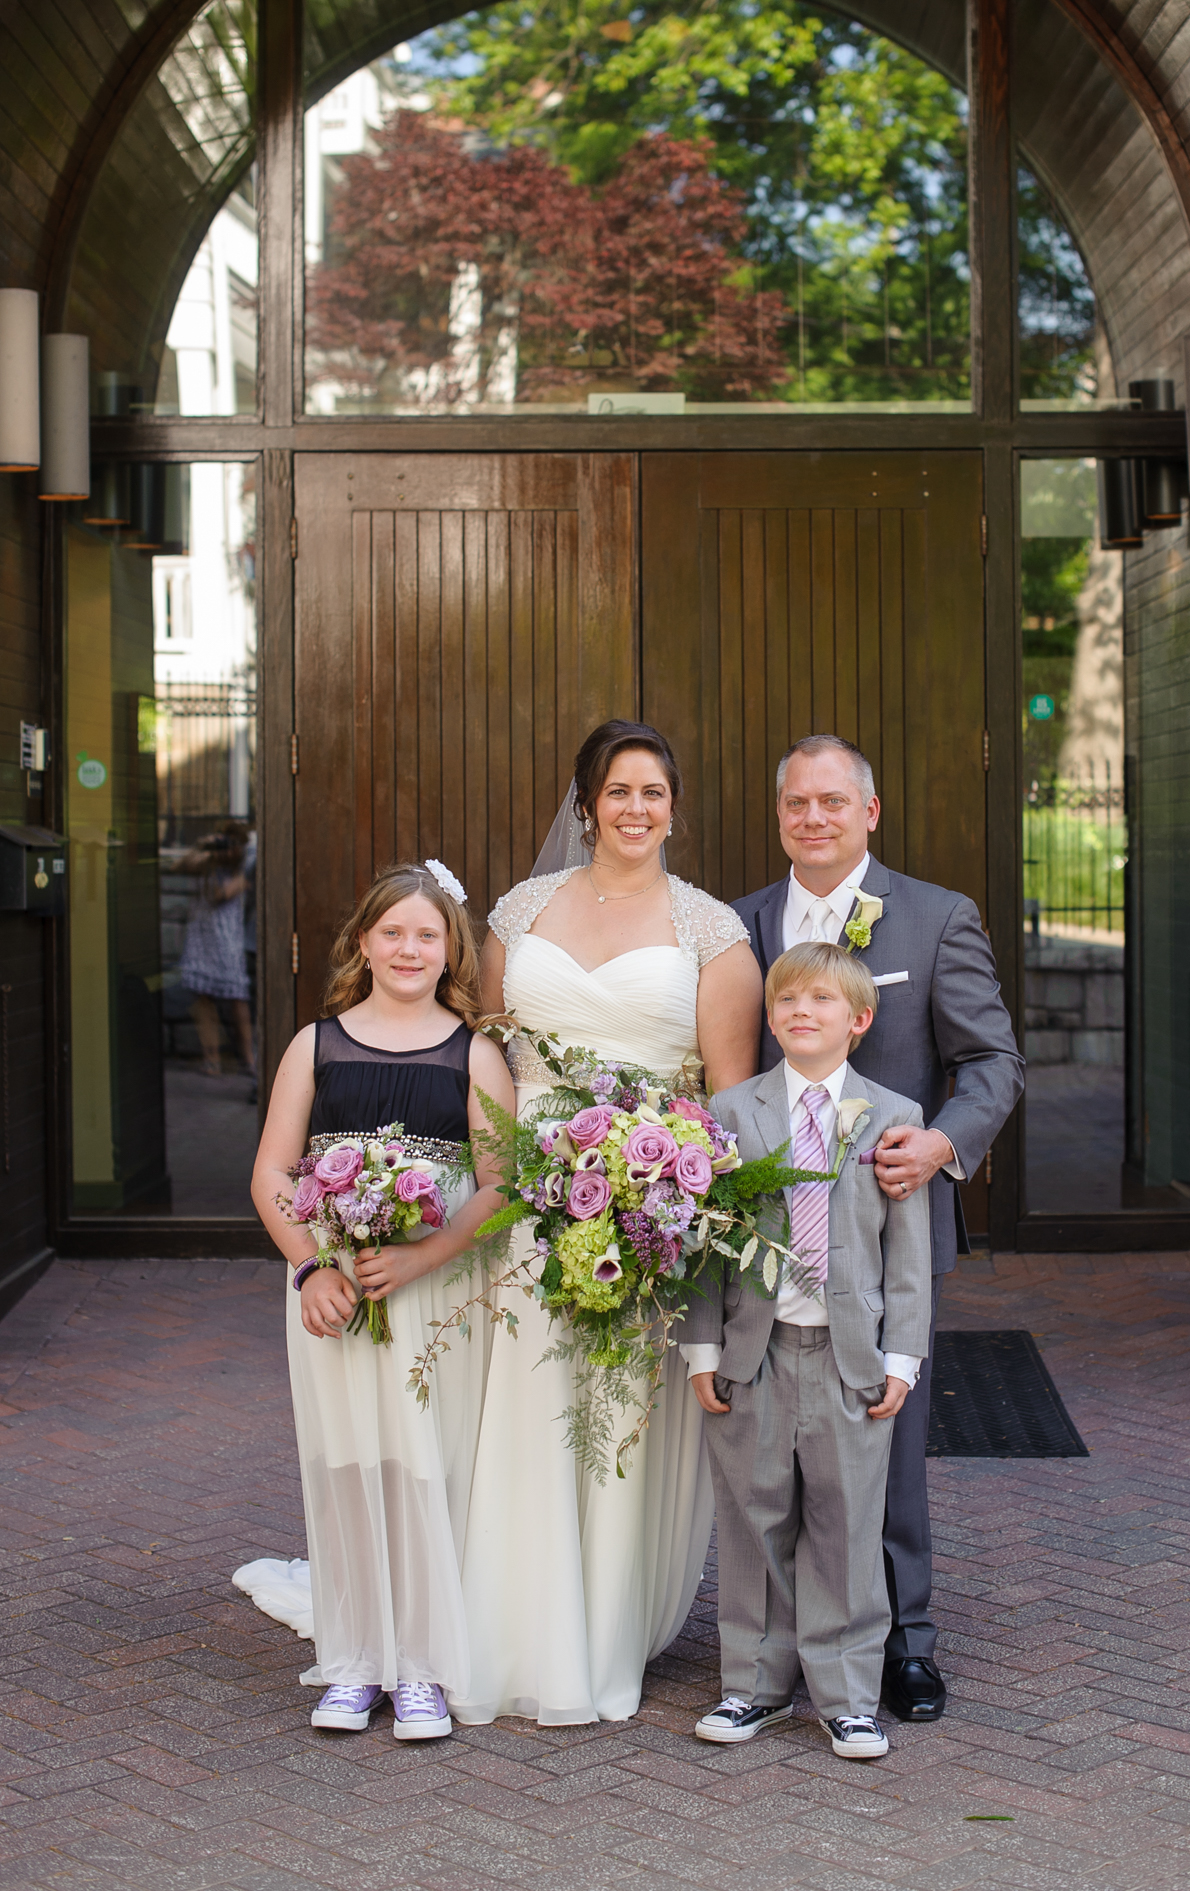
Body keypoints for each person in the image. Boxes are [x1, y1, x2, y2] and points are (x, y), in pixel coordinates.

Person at [469, 718, 763, 1724]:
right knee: (522, 1405)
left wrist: (667, 1192)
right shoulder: (518, 909)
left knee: (619, 1419)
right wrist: (506, 1177)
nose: (638, 808)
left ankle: (605, 1625)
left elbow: (728, 1098)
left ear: (674, 804)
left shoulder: (712, 931)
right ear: (583, 800)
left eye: (656, 791)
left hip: (646, 1207)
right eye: (619, 789)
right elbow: (490, 1058)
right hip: (523, 1198)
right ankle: (518, 1614)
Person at [732, 735, 1024, 1723]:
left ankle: (908, 1641)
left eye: (831, 802)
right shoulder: (744, 925)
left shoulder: (937, 918)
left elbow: (993, 1065)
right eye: (795, 805)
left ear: (871, 809)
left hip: (889, 1228)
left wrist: (939, 1146)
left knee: (883, 1442)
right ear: (779, 815)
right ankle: (781, 1655)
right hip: (765, 1247)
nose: (812, 819)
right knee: (775, 1456)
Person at [247, 860, 514, 1739]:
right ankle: (356, 1658)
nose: (407, 947)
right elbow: (272, 1174)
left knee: (426, 1464)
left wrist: (422, 1256)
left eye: (425, 935)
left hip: (433, 1294)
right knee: (347, 1461)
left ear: (450, 952)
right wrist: (308, 1269)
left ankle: (427, 1666)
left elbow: (501, 1182)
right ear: (363, 941)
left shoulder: (473, 1051)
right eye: (391, 931)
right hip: (333, 1294)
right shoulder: (314, 1044)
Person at [683, 942, 932, 1760]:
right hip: (753, 1352)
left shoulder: (892, 1114)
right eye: (787, 999)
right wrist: (701, 1348)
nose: (801, 1011)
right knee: (754, 1517)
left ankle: (848, 1695)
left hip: (849, 1356)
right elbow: (704, 1245)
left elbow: (908, 1250)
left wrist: (902, 1358)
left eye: (821, 1001)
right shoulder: (730, 1111)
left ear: (857, 1020)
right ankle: (752, 1684)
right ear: (769, 1014)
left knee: (847, 1523)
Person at [175, 821, 254, 1078]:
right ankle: (212, 1059)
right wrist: (204, 847)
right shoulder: (207, 862)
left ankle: (250, 1060)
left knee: (237, 1000)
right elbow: (179, 866)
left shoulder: (245, 868)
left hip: (227, 939)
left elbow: (221, 894)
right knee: (203, 998)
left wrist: (219, 861)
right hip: (202, 937)